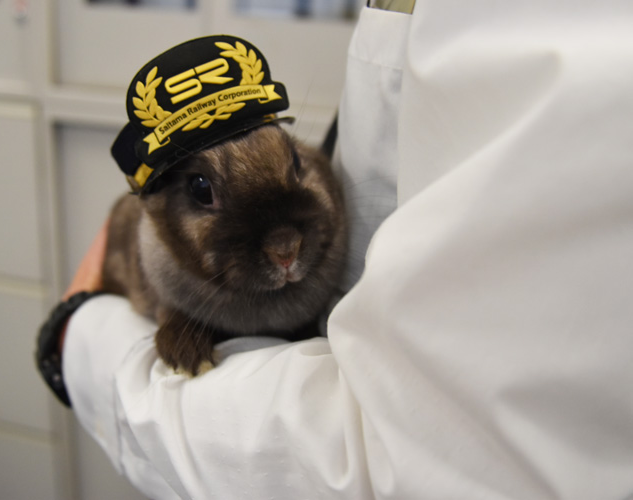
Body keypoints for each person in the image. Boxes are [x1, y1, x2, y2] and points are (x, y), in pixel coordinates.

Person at [48, 1, 633, 498]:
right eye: (204, 192)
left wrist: (84, 339)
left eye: (293, 165)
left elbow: (385, 455)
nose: (283, 244)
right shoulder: (152, 241)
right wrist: (174, 315)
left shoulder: (579, 50)